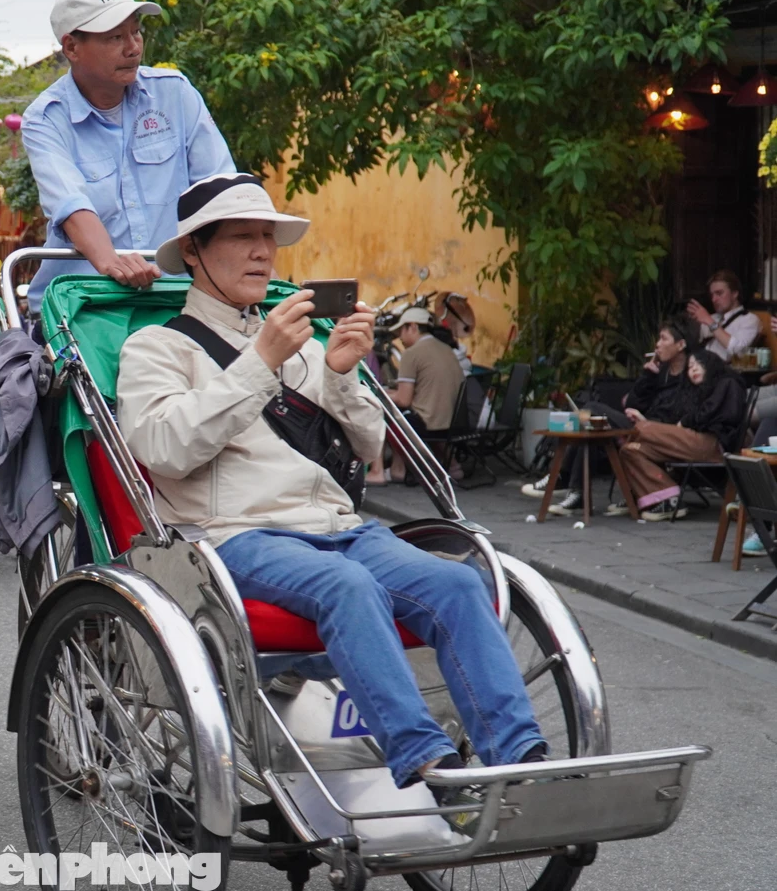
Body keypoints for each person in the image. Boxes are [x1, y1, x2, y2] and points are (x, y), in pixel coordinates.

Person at [116, 175, 546, 800]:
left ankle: (520, 758)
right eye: (242, 237)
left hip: (337, 527)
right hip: (235, 536)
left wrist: (342, 374)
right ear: (194, 252)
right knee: (349, 587)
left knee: (457, 581)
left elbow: (371, 449)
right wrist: (258, 363)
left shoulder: (300, 344)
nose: (263, 251)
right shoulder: (155, 347)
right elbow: (165, 449)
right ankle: (428, 763)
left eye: (268, 237)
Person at [21, 0, 235, 312]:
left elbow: (221, 193)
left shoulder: (175, 94)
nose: (133, 47)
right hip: (86, 302)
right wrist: (111, 263)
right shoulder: (45, 119)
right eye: (115, 37)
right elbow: (71, 205)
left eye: (136, 32)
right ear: (72, 48)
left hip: (179, 298)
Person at [522, 321, 692, 516]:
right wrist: (647, 376)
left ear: (681, 345)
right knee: (594, 426)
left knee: (592, 410)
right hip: (640, 424)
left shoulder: (690, 376)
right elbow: (631, 404)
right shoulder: (660, 373)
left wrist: (645, 419)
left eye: (664, 339)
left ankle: (562, 476)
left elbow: (680, 415)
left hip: (660, 433)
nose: (657, 344)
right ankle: (575, 492)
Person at [613, 348, 747, 521]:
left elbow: (715, 414)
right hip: (690, 441)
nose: (693, 370)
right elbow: (674, 423)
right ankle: (668, 499)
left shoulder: (728, 382)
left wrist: (685, 422)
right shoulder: (694, 393)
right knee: (629, 450)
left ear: (710, 363)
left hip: (713, 443)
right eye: (690, 367)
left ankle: (626, 435)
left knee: (641, 429)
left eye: (698, 364)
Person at [367, 307, 464, 485]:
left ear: (412, 327)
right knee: (405, 410)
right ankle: (452, 465)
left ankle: (384, 471)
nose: (400, 339)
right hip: (454, 422)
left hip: (428, 424)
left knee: (381, 410)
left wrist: (377, 394)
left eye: (401, 332)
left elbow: (404, 399)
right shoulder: (446, 349)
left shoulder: (412, 354)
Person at [687, 269, 759, 362]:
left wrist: (709, 322)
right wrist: (691, 324)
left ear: (734, 294)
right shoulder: (714, 317)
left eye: (719, 293)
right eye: (712, 295)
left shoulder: (749, 319)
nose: (714, 299)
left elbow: (738, 351)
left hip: (726, 373)